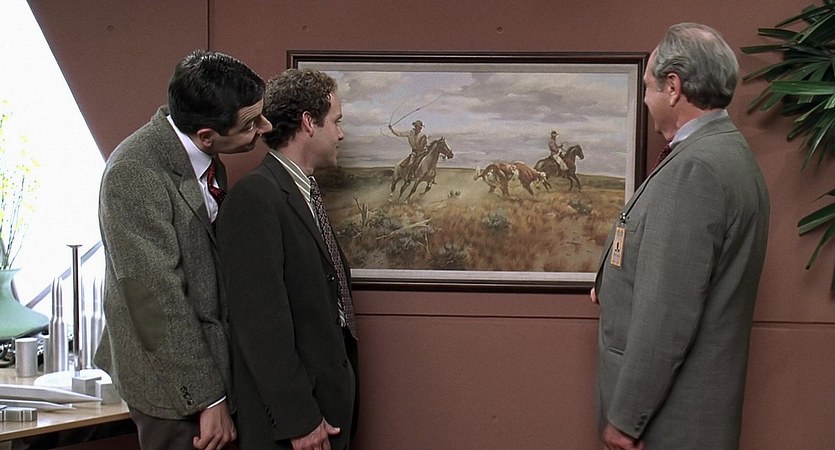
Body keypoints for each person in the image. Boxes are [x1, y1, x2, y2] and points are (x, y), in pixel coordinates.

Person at [591, 23, 770, 449]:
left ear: (673, 87)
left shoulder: (695, 170)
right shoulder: (726, 152)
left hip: (670, 424)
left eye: (648, 86)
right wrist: (611, 283)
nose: (645, 99)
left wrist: (625, 419)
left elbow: (667, 312)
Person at [96, 49, 272, 450]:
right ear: (206, 135)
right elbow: (154, 302)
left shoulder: (205, 155)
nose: (266, 127)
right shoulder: (134, 173)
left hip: (212, 360)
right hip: (171, 383)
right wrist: (209, 398)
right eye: (251, 124)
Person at [216, 68, 358, 450]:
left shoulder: (302, 192)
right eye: (336, 121)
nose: (341, 134)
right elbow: (260, 326)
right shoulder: (254, 199)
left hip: (325, 412)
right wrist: (301, 421)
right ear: (309, 122)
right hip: (295, 429)